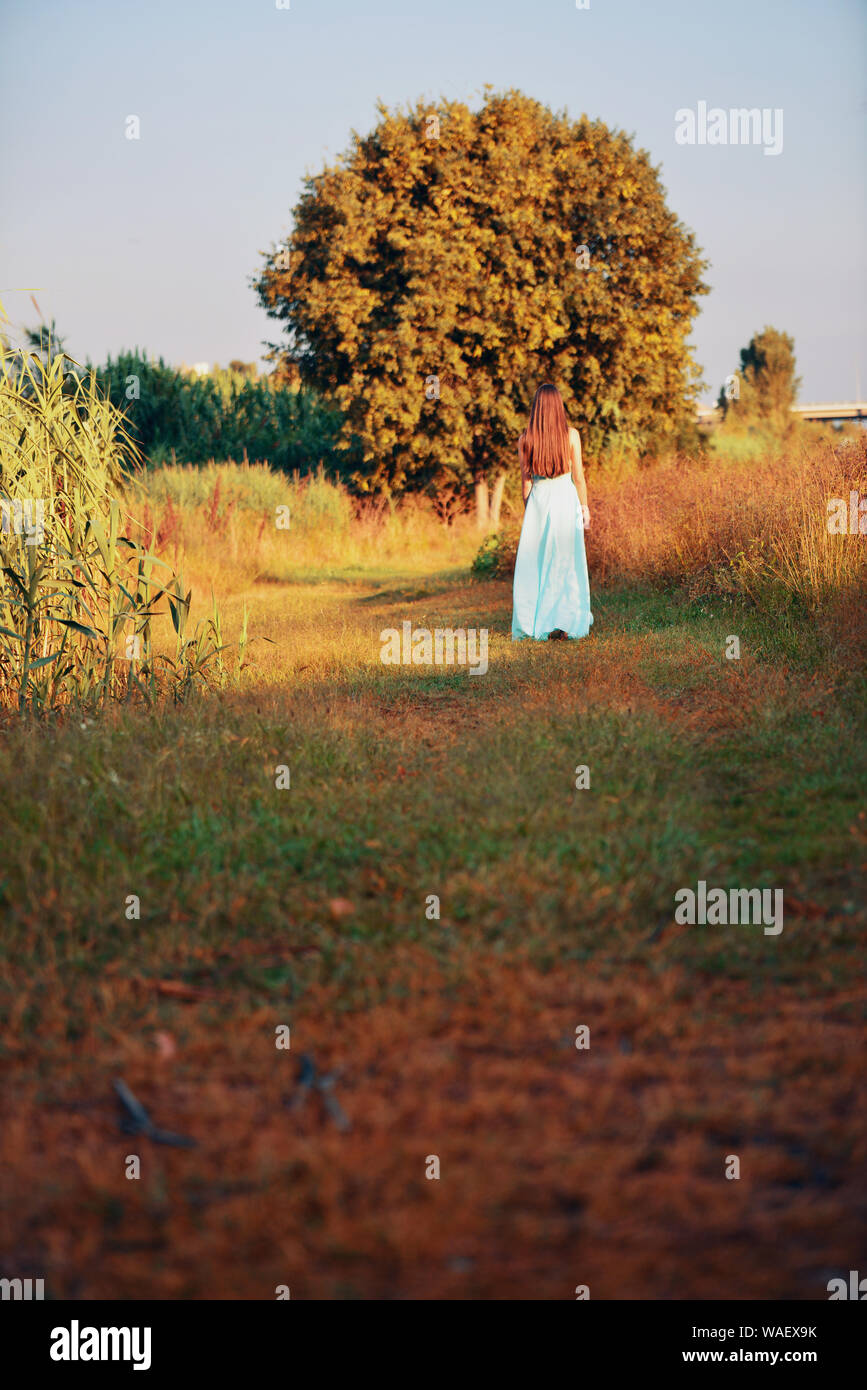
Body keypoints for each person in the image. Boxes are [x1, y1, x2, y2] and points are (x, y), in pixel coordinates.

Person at [511, 383, 593, 642]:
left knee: (535, 564)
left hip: (539, 501)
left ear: (536, 409)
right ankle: (568, 622)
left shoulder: (525, 440)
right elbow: (579, 477)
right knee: (567, 562)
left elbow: (526, 483)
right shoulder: (571, 436)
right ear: (559, 407)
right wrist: (584, 509)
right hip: (565, 501)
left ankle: (537, 622)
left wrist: (531, 512)